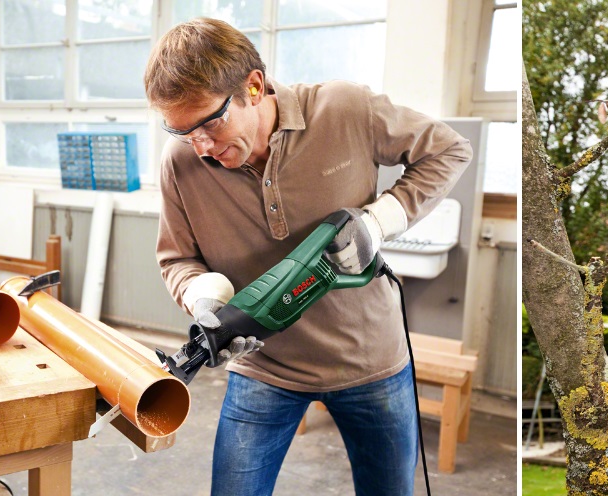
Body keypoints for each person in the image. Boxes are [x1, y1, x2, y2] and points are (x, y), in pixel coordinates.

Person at [144, 18, 470, 495]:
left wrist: (379, 222)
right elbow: (176, 259)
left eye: (210, 123)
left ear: (254, 86)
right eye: (181, 132)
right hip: (264, 368)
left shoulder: (343, 109)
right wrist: (203, 295)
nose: (203, 147)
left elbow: (448, 150)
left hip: (372, 363)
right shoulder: (182, 164)